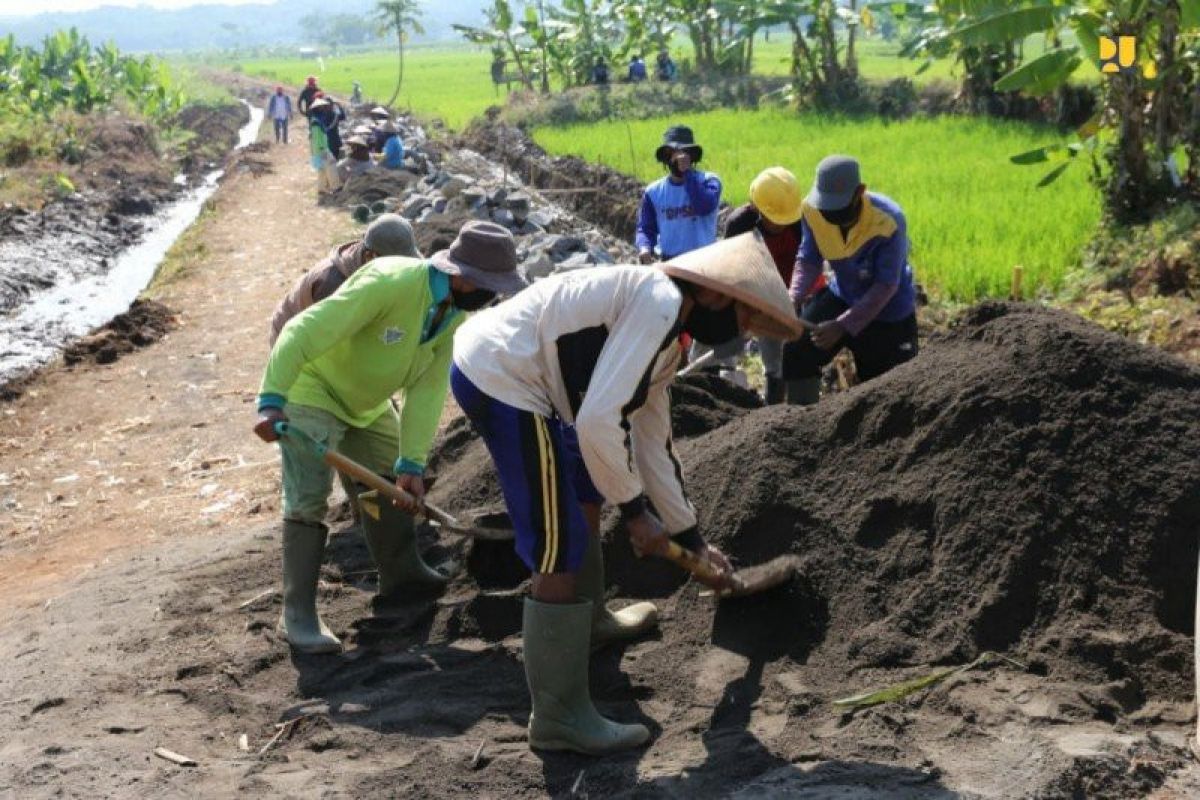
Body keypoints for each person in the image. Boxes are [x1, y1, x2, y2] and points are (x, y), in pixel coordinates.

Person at [451, 233, 802, 755]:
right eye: (743, 319)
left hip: (536, 385)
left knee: (590, 485)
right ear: (714, 295)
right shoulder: (659, 302)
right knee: (558, 537)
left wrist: (693, 538)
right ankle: (557, 717)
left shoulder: (667, 336)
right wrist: (636, 514)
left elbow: (652, 443)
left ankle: (590, 621)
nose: (741, 335)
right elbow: (597, 420)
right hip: (503, 376)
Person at [253, 221, 527, 655]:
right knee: (309, 494)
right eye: (491, 286)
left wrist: (411, 464)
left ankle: (401, 571)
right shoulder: (390, 281)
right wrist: (271, 398)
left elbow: (427, 389)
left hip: (367, 402)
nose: (492, 295)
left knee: (387, 477)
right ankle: (299, 614)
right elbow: (300, 331)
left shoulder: (454, 313)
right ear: (463, 277)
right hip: (314, 387)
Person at [782, 155, 919, 404]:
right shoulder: (812, 211)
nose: (830, 214)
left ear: (860, 193)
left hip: (888, 311)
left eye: (839, 207)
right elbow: (809, 258)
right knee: (797, 349)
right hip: (843, 294)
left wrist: (843, 325)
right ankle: (799, 427)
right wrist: (793, 296)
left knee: (887, 393)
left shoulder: (888, 220)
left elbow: (886, 284)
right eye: (827, 207)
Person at [725, 167, 826, 404]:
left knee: (801, 352)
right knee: (773, 359)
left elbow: (811, 263)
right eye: (773, 219)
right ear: (756, 207)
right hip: (761, 292)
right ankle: (773, 410)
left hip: (799, 290)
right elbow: (732, 269)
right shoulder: (740, 225)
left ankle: (805, 403)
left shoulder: (801, 222)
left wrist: (797, 298)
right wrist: (748, 307)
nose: (780, 225)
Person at [269, 214, 420, 345]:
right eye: (397, 263)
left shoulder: (368, 261)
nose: (401, 269)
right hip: (293, 339)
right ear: (370, 256)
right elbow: (328, 344)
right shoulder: (333, 285)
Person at [307, 98, 341, 196]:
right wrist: (323, 149)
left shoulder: (317, 121)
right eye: (322, 108)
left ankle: (321, 189)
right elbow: (317, 138)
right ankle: (336, 187)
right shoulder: (316, 123)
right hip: (322, 149)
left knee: (322, 170)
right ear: (318, 109)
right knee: (331, 165)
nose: (324, 109)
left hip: (319, 149)